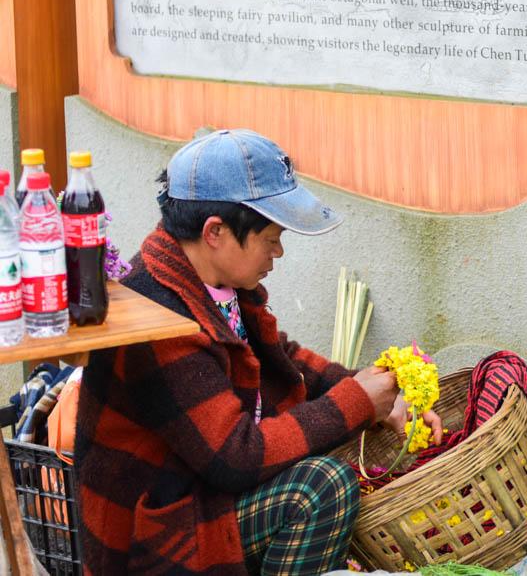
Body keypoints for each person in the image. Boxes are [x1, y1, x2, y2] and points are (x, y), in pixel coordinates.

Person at [76, 130, 448, 575]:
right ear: (215, 231)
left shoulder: (216, 280)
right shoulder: (158, 315)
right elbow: (235, 458)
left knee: (329, 434)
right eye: (270, 237)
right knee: (322, 485)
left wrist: (371, 393)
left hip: (207, 492)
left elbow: (282, 358)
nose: (279, 251)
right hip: (163, 531)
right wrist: (355, 402)